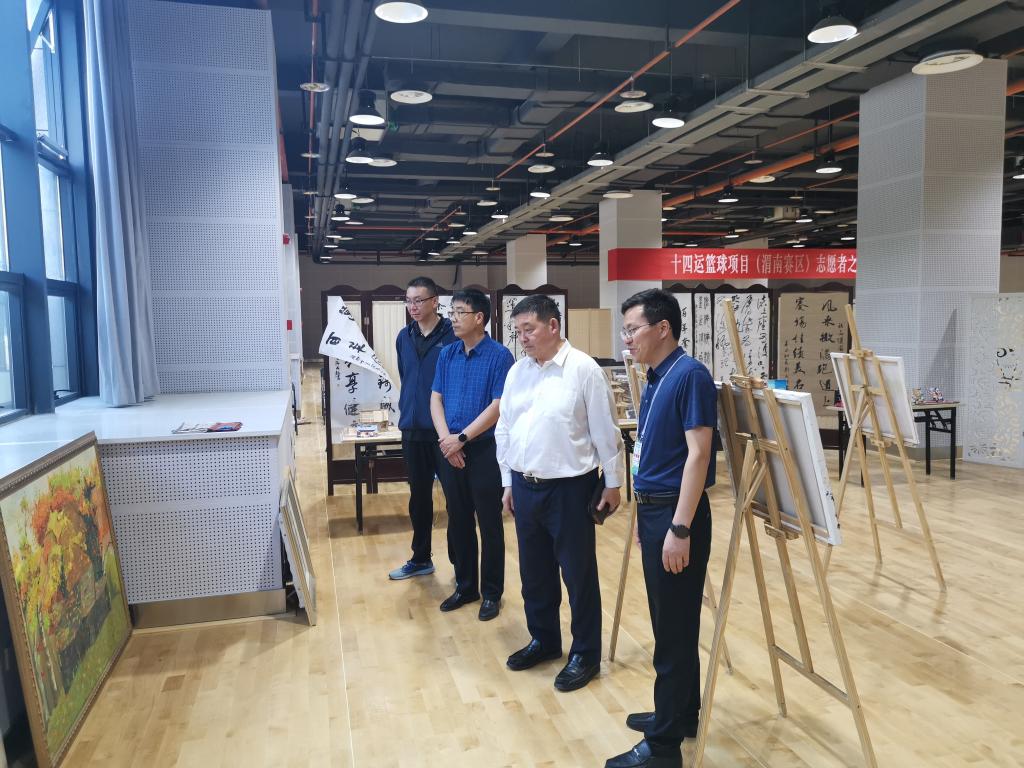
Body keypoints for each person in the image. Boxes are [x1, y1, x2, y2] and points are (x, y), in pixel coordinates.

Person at [605, 289, 718, 768]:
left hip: (676, 514)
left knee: (672, 631)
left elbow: (699, 455)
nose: (627, 339)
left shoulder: (690, 375)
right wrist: (643, 515)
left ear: (663, 328)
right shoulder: (656, 377)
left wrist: (680, 528)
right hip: (656, 512)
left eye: (633, 329)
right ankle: (680, 714)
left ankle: (664, 747)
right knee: (670, 623)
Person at [496, 295, 624, 692]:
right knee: (534, 573)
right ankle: (545, 639)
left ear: (553, 326)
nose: (523, 338)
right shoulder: (517, 372)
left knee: (578, 574)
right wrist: (507, 481)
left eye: (529, 329)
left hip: (570, 488)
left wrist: (614, 483)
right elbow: (505, 427)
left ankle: (585, 653)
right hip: (525, 485)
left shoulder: (583, 369)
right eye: (518, 331)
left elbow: (605, 430)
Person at [430, 288, 514, 621]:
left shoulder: (500, 356)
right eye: (451, 312)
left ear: (479, 318)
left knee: (490, 523)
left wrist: (462, 438)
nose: (452, 318)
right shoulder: (447, 354)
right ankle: (466, 587)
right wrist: (447, 441)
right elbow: (435, 398)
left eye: (459, 312)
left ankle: (492, 592)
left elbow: (498, 405)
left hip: (483, 450)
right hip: (450, 449)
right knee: (459, 519)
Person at [388, 277, 457, 581]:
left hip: (446, 433)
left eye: (418, 300)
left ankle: (461, 563)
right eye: (408, 301)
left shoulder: (453, 336)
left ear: (435, 301)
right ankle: (420, 558)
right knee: (418, 499)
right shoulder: (404, 337)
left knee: (456, 499)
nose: (412, 306)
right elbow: (407, 377)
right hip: (412, 430)